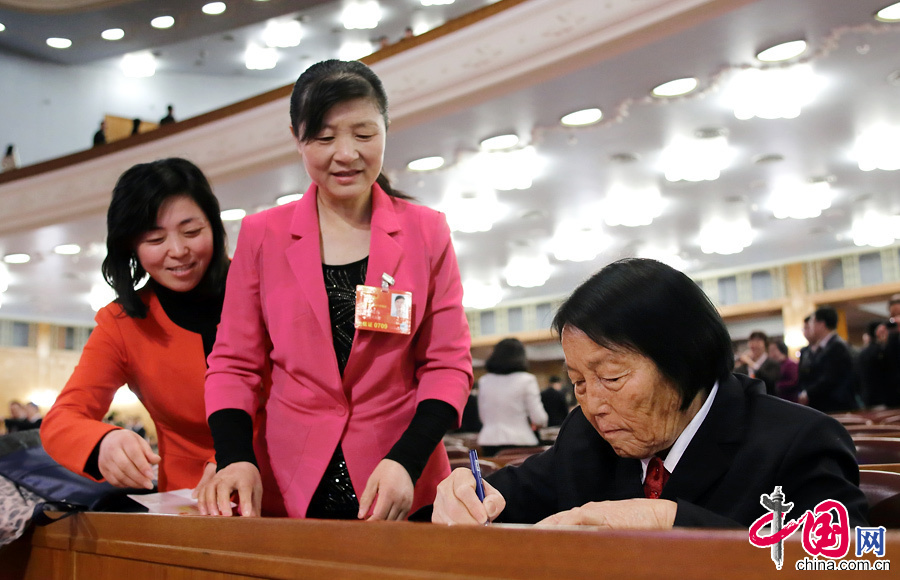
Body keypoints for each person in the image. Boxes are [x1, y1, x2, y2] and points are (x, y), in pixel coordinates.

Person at [198, 59, 472, 521]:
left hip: (401, 474)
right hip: (291, 475)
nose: (345, 154)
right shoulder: (263, 234)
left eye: (364, 135)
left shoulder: (426, 231)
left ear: (386, 129)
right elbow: (233, 364)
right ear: (297, 138)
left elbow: (447, 362)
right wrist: (234, 457)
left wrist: (407, 459)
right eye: (324, 138)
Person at [432, 258, 867, 529]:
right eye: (578, 382)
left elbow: (842, 561)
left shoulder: (799, 442)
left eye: (612, 378)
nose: (593, 405)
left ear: (683, 359)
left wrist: (669, 520)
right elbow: (511, 494)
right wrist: (470, 495)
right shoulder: (585, 438)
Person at [40, 158, 240, 494]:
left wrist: (236, 455)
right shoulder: (123, 324)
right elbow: (62, 420)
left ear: (214, 227)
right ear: (130, 246)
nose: (178, 251)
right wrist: (103, 441)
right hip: (190, 501)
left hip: (290, 489)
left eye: (192, 232)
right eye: (154, 239)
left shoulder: (266, 290)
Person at [476, 338, 548, 456]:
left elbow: (483, 416)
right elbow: (539, 419)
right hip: (521, 440)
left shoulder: (484, 381)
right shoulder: (527, 380)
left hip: (488, 441)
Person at [797, 307, 860, 413]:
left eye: (812, 322)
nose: (810, 327)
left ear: (821, 324)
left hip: (837, 406)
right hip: (824, 404)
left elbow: (830, 377)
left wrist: (808, 393)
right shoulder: (821, 347)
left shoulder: (837, 346)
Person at [733, 331, 781, 395]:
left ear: (765, 344)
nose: (754, 345)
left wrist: (751, 363)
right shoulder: (745, 364)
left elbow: (769, 381)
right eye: (752, 341)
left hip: (767, 398)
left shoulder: (772, 363)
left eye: (758, 341)